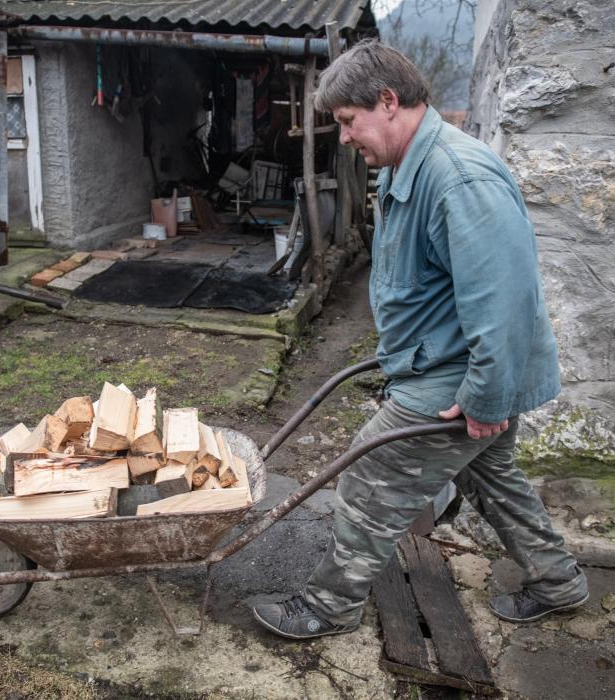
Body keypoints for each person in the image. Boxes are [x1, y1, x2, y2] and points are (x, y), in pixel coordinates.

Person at [252, 40, 588, 640]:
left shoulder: (457, 177)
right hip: (446, 365)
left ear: (388, 101)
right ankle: (558, 582)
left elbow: (504, 300)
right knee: (496, 481)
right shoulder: (409, 165)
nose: (347, 138)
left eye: (350, 122)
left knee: (369, 481)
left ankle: (328, 606)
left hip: (458, 381)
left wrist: (486, 396)